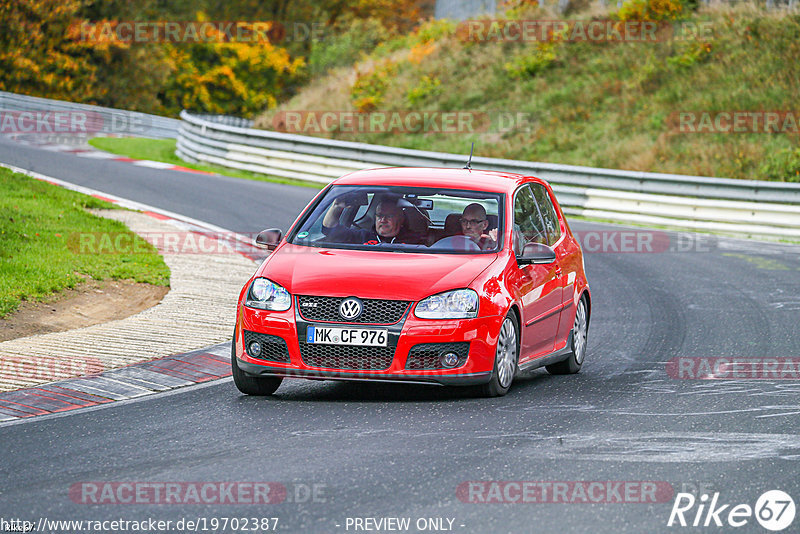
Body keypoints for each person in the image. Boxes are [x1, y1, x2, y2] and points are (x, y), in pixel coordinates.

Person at [322, 196, 424, 245]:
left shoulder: (416, 240)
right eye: (379, 215)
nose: (383, 220)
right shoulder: (362, 236)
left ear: (401, 219)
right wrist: (336, 207)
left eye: (389, 216)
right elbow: (329, 230)